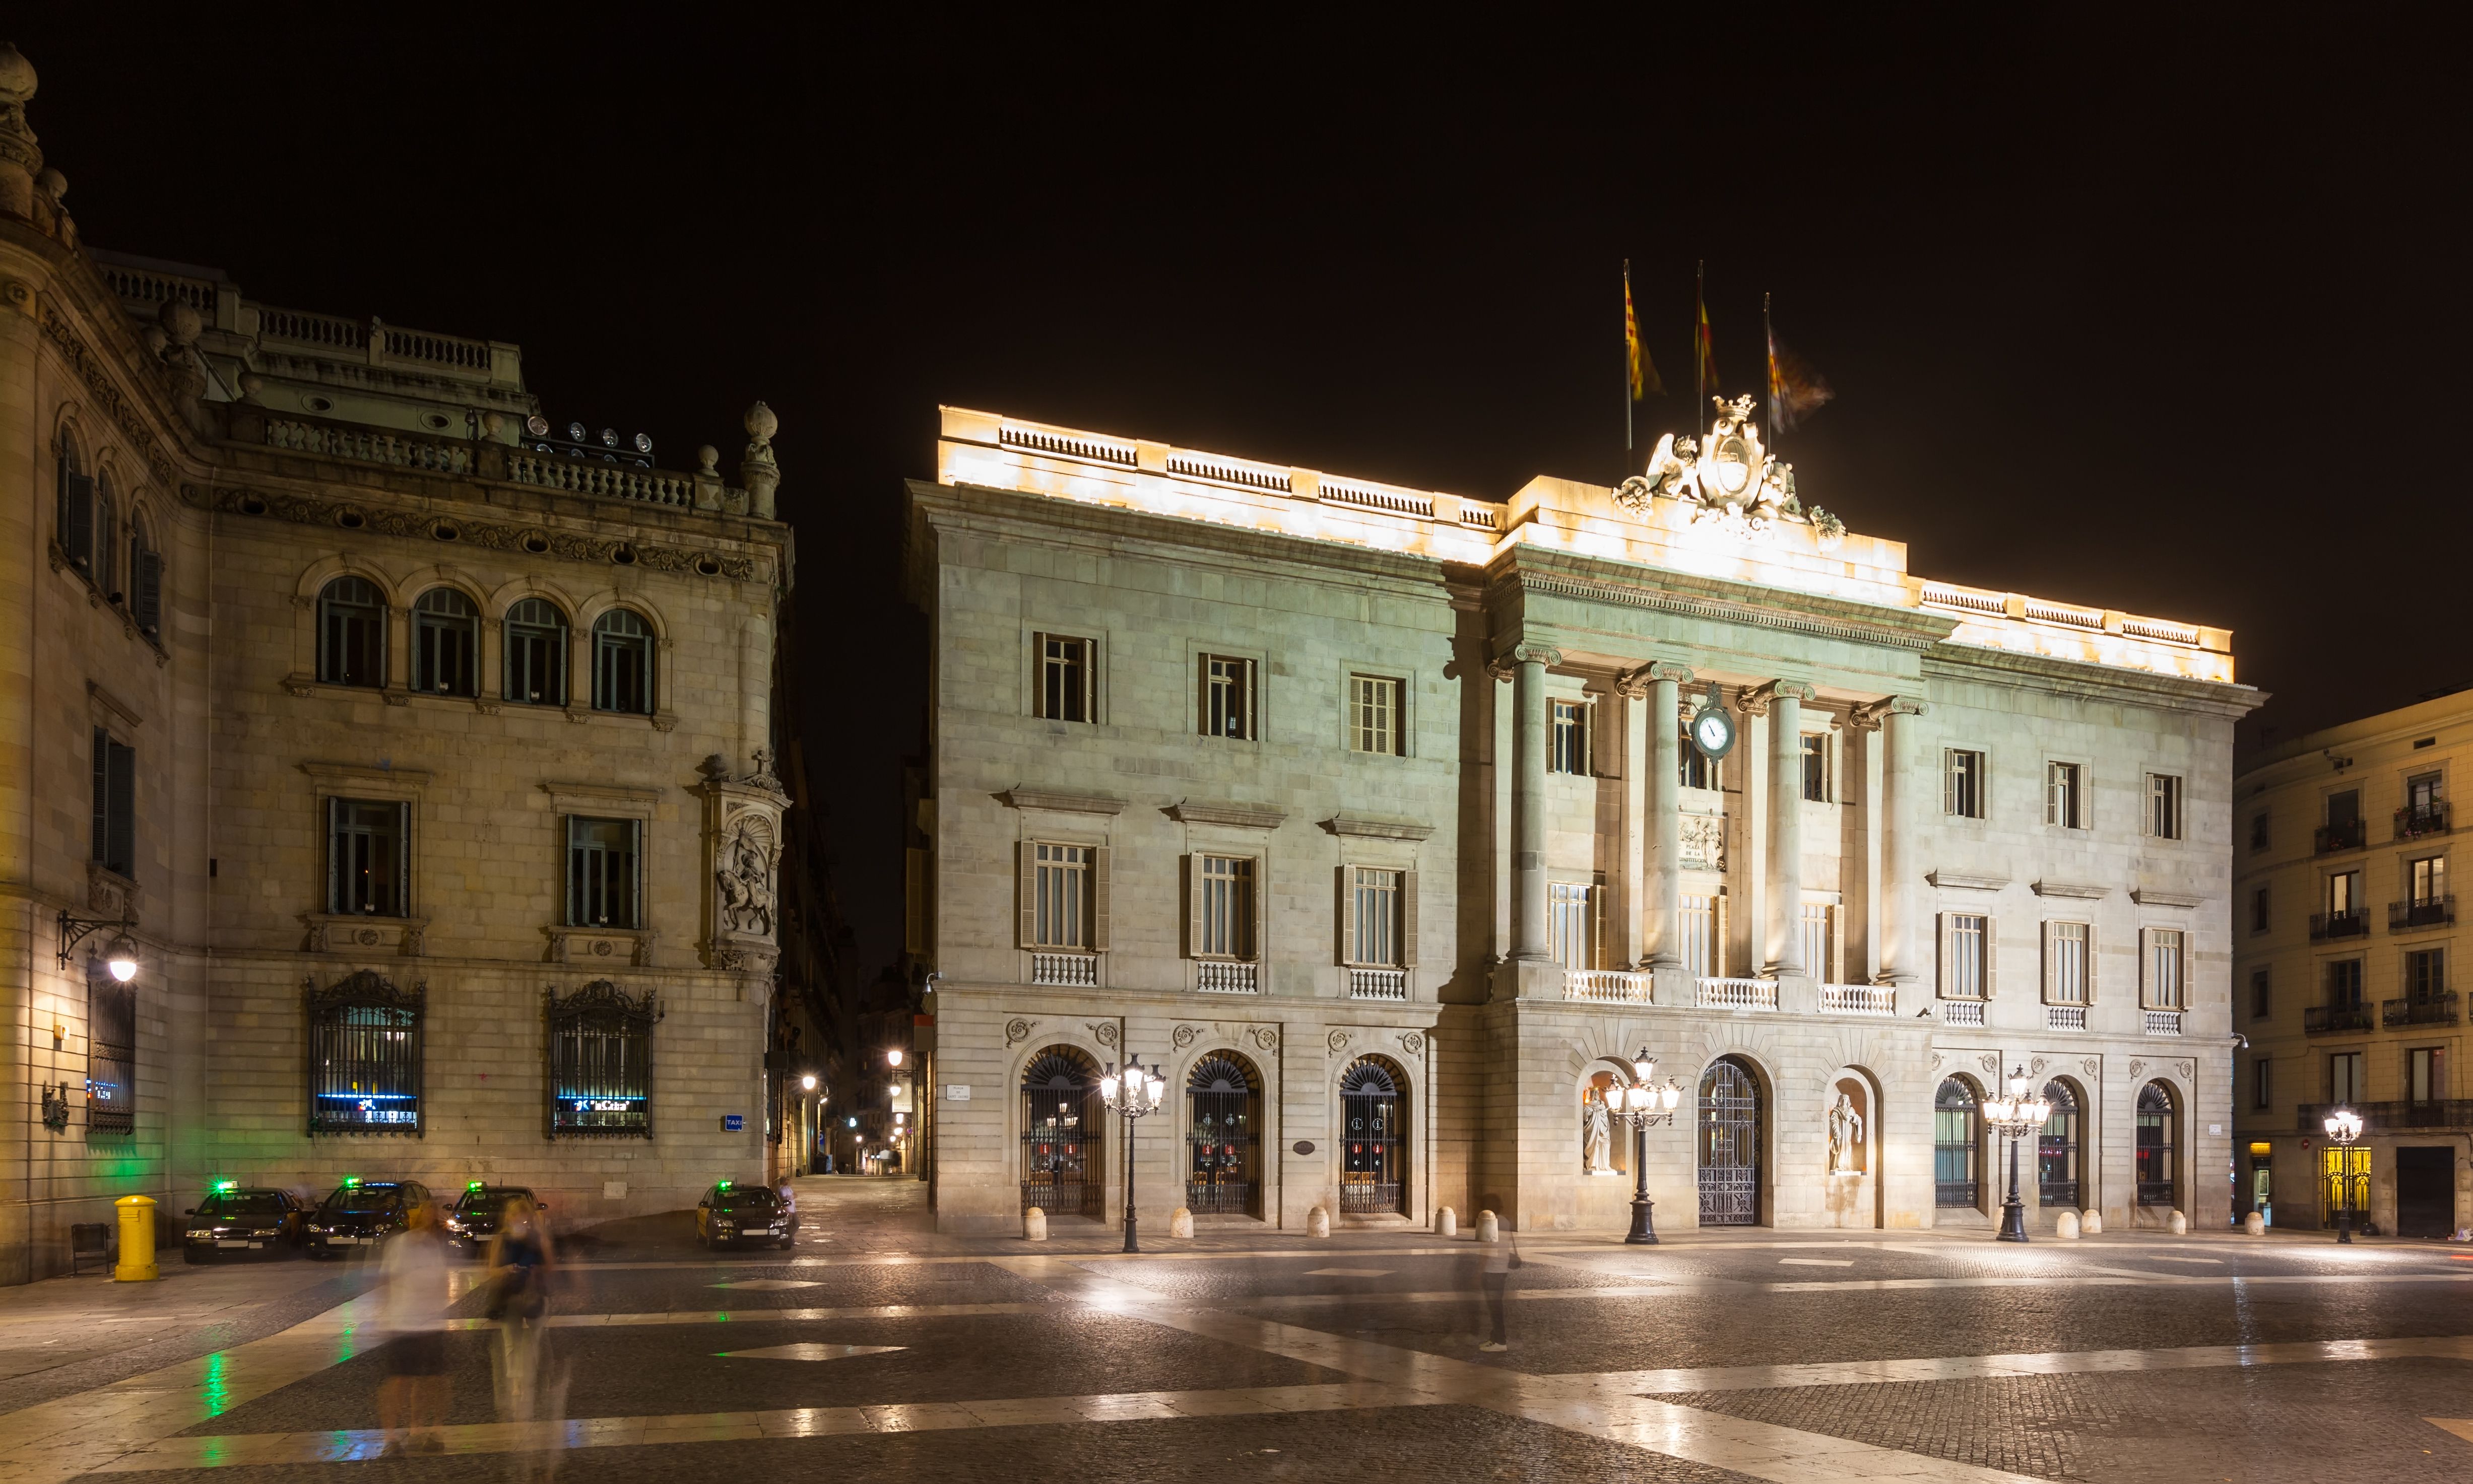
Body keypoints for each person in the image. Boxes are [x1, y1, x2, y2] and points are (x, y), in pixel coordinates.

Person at [485, 1194, 563, 1451]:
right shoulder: (501, 1239)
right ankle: (517, 1382)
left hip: (534, 1294)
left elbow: (550, 1266)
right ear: (509, 1217)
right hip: (509, 1296)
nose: (520, 1220)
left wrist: (535, 1269)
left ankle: (531, 1376)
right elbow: (492, 1270)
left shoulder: (538, 1238)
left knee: (536, 1337)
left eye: (524, 1215)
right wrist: (508, 1270)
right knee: (511, 1340)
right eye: (516, 1216)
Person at [375, 1200, 450, 1455]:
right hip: (403, 1321)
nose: (431, 1217)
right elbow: (387, 1280)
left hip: (430, 1323)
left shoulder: (435, 1246)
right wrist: (384, 1315)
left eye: (434, 1213)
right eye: (426, 1212)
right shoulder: (399, 1245)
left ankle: (428, 1430)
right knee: (399, 1381)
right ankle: (391, 1438)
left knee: (432, 1381)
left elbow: (443, 1282)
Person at [1478, 1212, 1514, 1353]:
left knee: (1495, 1308)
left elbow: (1487, 1249)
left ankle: (1500, 1340)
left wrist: (1478, 1272)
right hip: (1502, 1269)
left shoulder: (1491, 1220)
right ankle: (1496, 1338)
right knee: (1496, 1307)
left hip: (1492, 1271)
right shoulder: (1505, 1220)